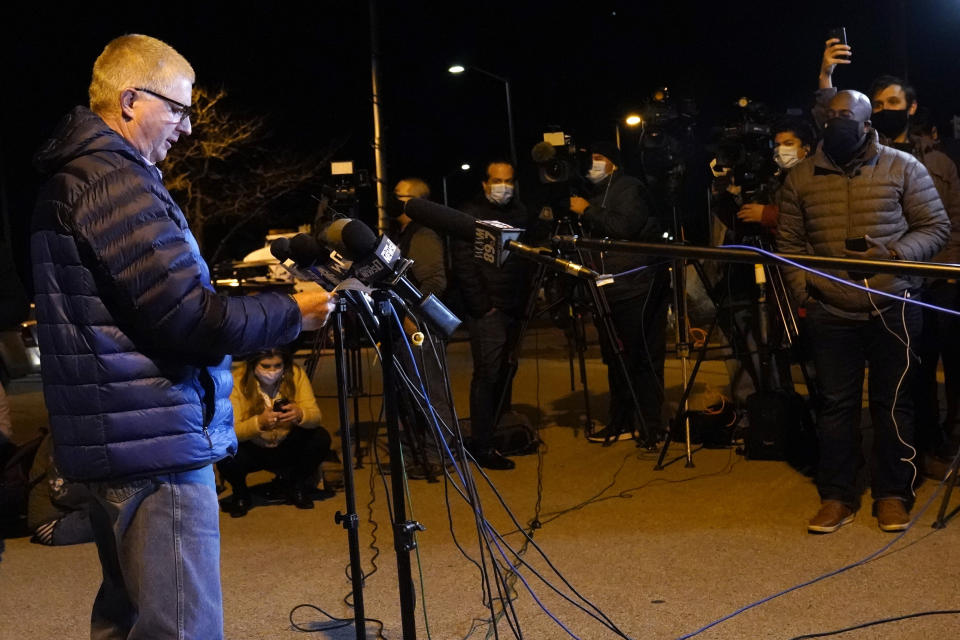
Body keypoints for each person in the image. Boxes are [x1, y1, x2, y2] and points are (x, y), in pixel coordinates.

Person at [30, 34, 335, 639]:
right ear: (129, 101)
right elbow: (190, 319)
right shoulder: (115, 182)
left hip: (121, 438)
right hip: (156, 446)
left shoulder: (81, 178)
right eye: (178, 109)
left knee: (128, 620)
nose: (188, 128)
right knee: (179, 627)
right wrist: (291, 311)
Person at [777, 89, 950, 534]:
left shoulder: (902, 166)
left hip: (892, 304)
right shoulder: (800, 178)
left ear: (866, 121)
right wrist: (805, 292)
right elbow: (790, 246)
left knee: (893, 404)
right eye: (831, 115)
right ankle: (838, 495)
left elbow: (935, 227)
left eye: (846, 116)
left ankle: (893, 494)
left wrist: (894, 254)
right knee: (836, 406)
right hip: (830, 310)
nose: (837, 122)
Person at [816, 41, 960, 480]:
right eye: (877, 105)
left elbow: (949, 222)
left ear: (911, 107)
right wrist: (825, 76)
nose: (884, 110)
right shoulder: (863, 157)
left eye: (893, 102)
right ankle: (909, 455)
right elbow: (829, 114)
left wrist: (946, 276)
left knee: (942, 372)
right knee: (905, 379)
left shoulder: (933, 162)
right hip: (894, 287)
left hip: (937, 282)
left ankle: (941, 446)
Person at [569, 142, 668, 444]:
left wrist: (587, 211)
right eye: (591, 157)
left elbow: (625, 226)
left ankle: (650, 425)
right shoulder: (594, 193)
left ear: (614, 162)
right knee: (617, 360)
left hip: (636, 285)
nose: (594, 163)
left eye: (601, 157)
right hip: (608, 289)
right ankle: (622, 420)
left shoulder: (628, 188)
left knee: (642, 359)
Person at [451, 160, 531, 470]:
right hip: (488, 310)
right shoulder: (470, 216)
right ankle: (482, 444)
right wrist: (483, 306)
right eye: (498, 180)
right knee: (488, 374)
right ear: (485, 184)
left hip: (514, 306)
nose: (504, 186)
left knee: (507, 370)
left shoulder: (520, 213)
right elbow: (464, 265)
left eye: (509, 181)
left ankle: (499, 432)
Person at [387, 178, 456, 476]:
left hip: (419, 327)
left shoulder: (423, 235)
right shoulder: (404, 234)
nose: (394, 201)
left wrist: (411, 315)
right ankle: (423, 452)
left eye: (400, 197)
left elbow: (434, 282)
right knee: (415, 392)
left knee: (431, 392)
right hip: (407, 325)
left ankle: (440, 454)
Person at [217, 348, 330, 516]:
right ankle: (241, 493)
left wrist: (300, 414)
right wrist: (258, 423)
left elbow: (316, 416)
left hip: (286, 443)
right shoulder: (236, 380)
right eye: (266, 366)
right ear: (254, 364)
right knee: (223, 448)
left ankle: (296, 485)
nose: (272, 371)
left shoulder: (296, 374)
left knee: (320, 438)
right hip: (252, 448)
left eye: (278, 366)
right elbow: (230, 431)